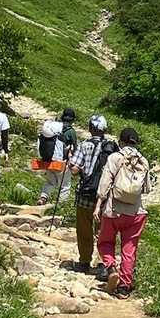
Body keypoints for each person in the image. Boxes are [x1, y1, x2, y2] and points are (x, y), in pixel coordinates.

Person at [95, 126, 151, 297]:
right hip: (136, 213)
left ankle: (111, 268)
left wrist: (98, 205)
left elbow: (105, 183)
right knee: (129, 249)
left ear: (120, 141)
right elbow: (147, 188)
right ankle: (124, 287)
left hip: (114, 210)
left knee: (105, 242)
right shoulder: (143, 161)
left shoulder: (115, 158)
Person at [68, 115, 118, 272]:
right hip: (104, 196)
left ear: (90, 128)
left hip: (86, 194)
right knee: (103, 231)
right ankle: (104, 264)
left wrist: (70, 159)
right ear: (105, 129)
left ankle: (84, 261)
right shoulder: (112, 147)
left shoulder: (84, 145)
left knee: (84, 229)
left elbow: (74, 170)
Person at [36, 108, 78, 205]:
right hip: (61, 163)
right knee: (65, 185)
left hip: (48, 160)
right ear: (72, 120)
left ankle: (43, 198)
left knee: (50, 182)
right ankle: (61, 205)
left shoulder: (54, 128)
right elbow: (75, 147)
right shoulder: (71, 131)